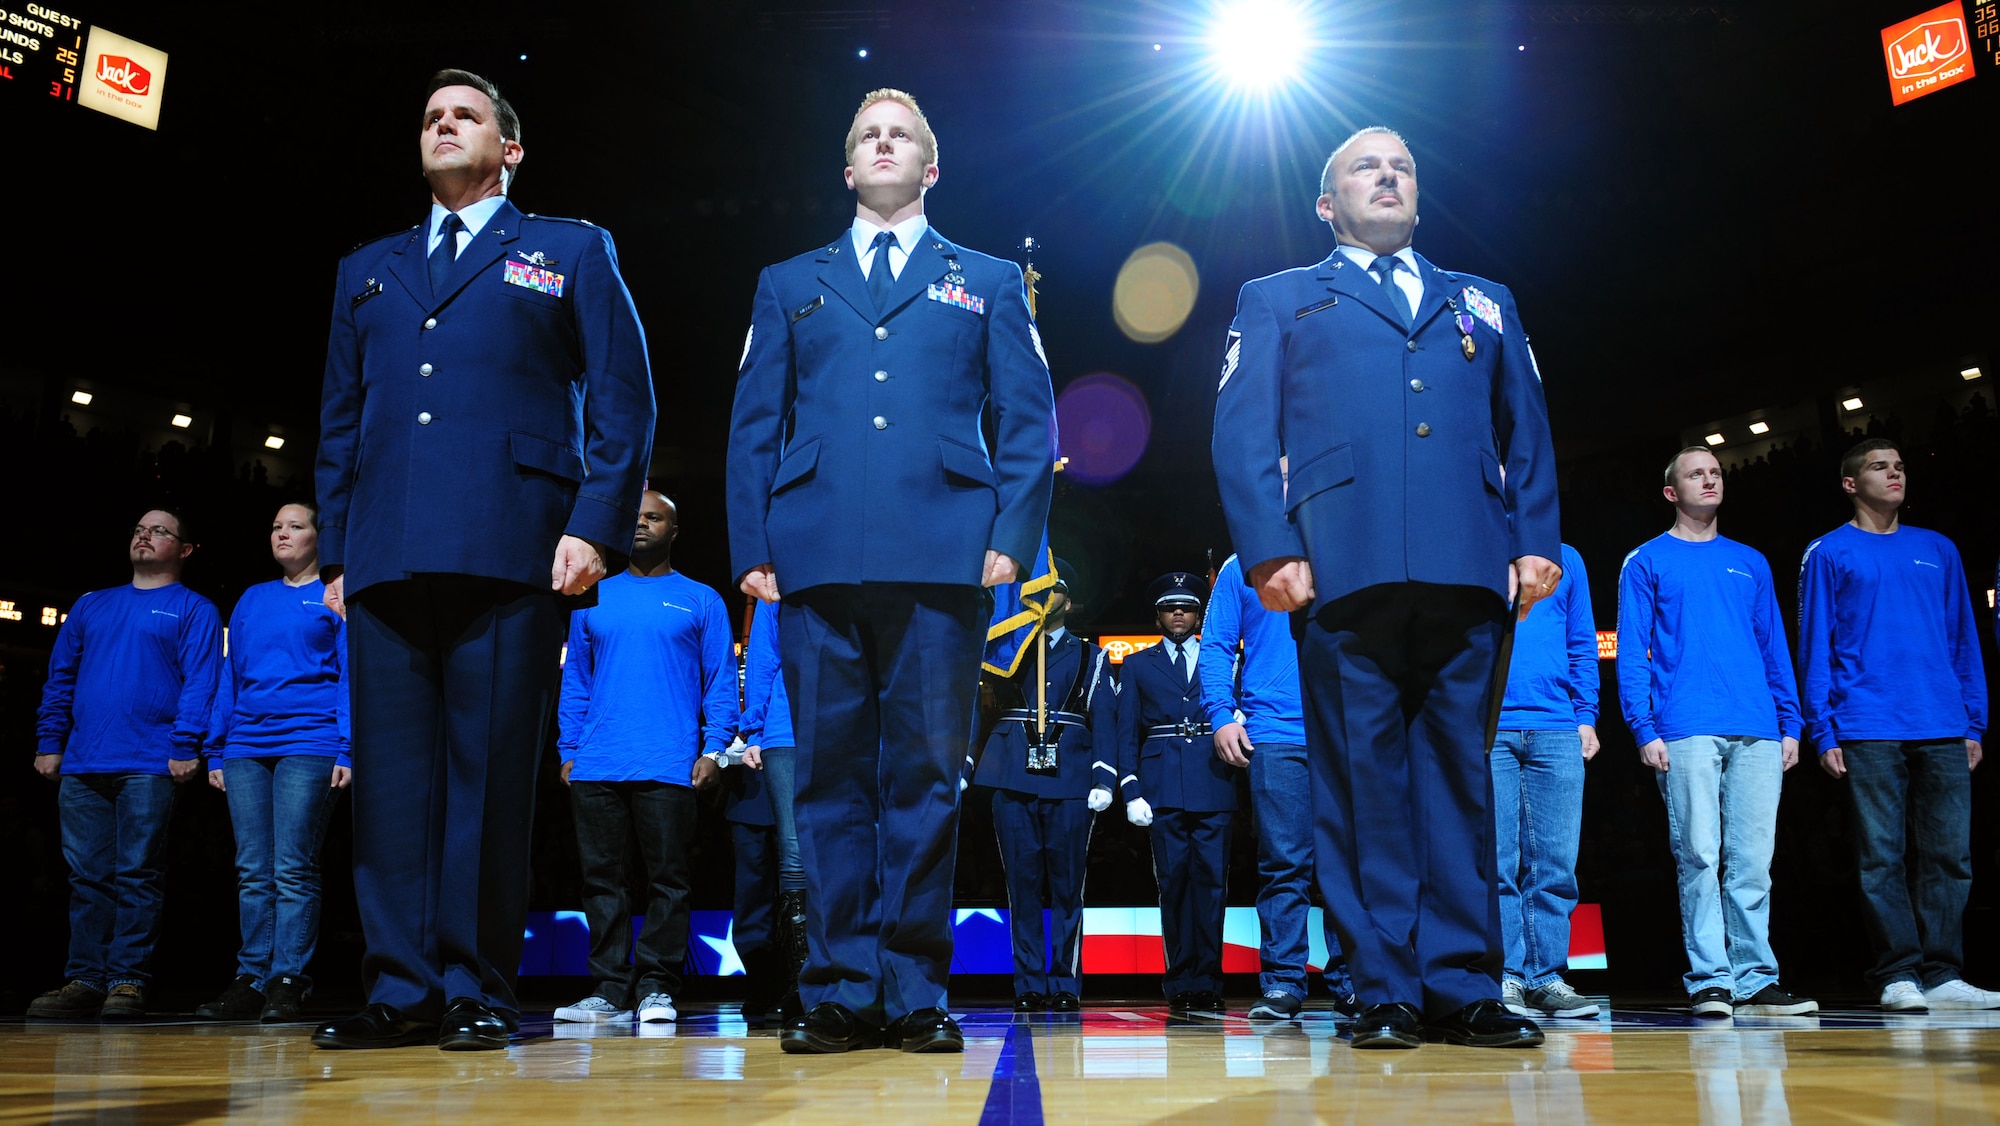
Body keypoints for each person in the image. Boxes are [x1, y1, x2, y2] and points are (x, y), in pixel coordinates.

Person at [312, 68, 656, 1051]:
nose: (442, 124)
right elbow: (339, 420)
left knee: (489, 781)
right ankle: (399, 987)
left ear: (509, 147)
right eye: (429, 116)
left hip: (513, 548)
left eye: (464, 114)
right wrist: (336, 550)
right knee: (389, 786)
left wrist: (593, 525)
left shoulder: (567, 247)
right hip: (383, 554)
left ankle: (472, 985)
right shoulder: (366, 268)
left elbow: (625, 400)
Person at [1211, 126, 1559, 1050]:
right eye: (1367, 166)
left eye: (1404, 164)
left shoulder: (1484, 302)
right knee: (1362, 783)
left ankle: (1464, 985)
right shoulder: (1279, 299)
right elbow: (1242, 436)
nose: (1390, 175)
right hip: (1342, 566)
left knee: (1458, 781)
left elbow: (1527, 429)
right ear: (1328, 205)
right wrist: (1267, 550)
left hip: (1469, 566)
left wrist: (1534, 541)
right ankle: (1382, 987)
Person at [726, 87, 1056, 1053]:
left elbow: (1031, 424)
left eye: (899, 134)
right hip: (815, 557)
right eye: (867, 135)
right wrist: (752, 548)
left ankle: (913, 988)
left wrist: (1013, 535)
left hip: (945, 553)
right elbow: (753, 427)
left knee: (922, 780)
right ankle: (838, 987)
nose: (882, 144)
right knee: (827, 782)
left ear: (931, 167)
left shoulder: (990, 281)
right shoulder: (790, 282)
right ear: (847, 167)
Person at [1617, 447, 1816, 1019]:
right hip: (1684, 727)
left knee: (1753, 860)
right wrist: (1642, 725)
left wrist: (1790, 722)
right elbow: (1633, 651)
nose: (1709, 479)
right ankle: (1710, 978)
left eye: (1715, 472)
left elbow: (1773, 645)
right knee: (1700, 856)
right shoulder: (1646, 561)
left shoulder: (1750, 561)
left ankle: (1755, 977)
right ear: (1670, 492)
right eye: (1694, 474)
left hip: (1757, 724)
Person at [1797, 440, 1996, 1011]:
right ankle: (1898, 973)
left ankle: (1943, 972)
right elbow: (1817, 646)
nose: (1895, 474)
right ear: (1850, 483)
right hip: (1867, 723)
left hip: (1942, 722)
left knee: (1949, 856)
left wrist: (1973, 723)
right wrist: (1823, 730)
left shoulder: (1939, 549)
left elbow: (1964, 640)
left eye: (1900, 466)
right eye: (1880, 467)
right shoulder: (1829, 552)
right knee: (1881, 855)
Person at [30, 509, 222, 1020]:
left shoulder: (193, 608)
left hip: (150, 760)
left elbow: (202, 681)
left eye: (160, 530)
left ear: (184, 550)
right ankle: (84, 978)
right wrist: (51, 740)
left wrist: (186, 744)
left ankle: (128, 980)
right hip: (84, 759)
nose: (145, 534)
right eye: (140, 528)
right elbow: (60, 678)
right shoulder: (92, 604)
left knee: (138, 873)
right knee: (87, 877)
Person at [553, 491, 734, 1025]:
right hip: (598, 762)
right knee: (602, 880)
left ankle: (657, 986)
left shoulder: (702, 600)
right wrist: (568, 748)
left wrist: (715, 749)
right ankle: (609, 989)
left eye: (653, 517)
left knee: (668, 881)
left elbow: (721, 682)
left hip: (669, 761)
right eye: (633, 518)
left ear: (673, 531)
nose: (640, 525)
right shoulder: (592, 597)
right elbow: (576, 682)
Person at [198, 503, 352, 1023]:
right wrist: (216, 746)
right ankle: (251, 977)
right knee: (252, 869)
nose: (282, 534)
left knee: (292, 865)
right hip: (245, 745)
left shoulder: (335, 596)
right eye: (276, 526)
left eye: (295, 526)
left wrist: (348, 745)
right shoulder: (252, 598)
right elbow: (230, 674)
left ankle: (289, 978)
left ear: (320, 537)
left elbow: (352, 672)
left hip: (310, 741)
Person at [1199, 552, 1356, 1022]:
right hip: (1275, 732)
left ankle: (1353, 981)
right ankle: (1284, 982)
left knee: (1349, 865)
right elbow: (1217, 645)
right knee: (1284, 864)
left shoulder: (1341, 539)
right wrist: (1221, 715)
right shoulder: (1241, 563)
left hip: (1348, 732)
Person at [972, 560, 1115, 1012]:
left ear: (1068, 602)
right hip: (1012, 767)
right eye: (1037, 591)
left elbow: (1106, 720)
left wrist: (1104, 775)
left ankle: (1065, 983)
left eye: (1053, 592)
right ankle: (1029, 982)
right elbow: (976, 708)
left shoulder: (1091, 655)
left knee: (1069, 886)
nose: (1043, 598)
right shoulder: (1005, 647)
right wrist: (966, 760)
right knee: (1022, 884)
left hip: (1071, 775)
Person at [1115, 572, 1237, 1015]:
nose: (1179, 613)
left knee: (1211, 887)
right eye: (1170, 607)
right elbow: (1127, 729)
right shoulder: (1138, 665)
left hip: (1212, 778)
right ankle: (1180, 980)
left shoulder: (1219, 659)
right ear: (1158, 615)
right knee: (1174, 885)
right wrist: (1130, 788)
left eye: (1186, 606)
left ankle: (1209, 979)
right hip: (1161, 785)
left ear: (1199, 613)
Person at [1489, 542, 1600, 1020]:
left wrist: (1586, 715)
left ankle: (1547, 976)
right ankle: (1506, 975)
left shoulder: (1566, 556)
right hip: (1488, 725)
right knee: (1496, 861)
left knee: (1555, 862)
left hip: (1557, 725)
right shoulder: (1470, 541)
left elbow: (1581, 640)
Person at [733, 602, 803, 1023]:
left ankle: (850, 980)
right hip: (786, 726)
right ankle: (803, 983)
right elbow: (763, 654)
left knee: (849, 852)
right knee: (793, 858)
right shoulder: (777, 573)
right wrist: (755, 727)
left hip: (855, 720)